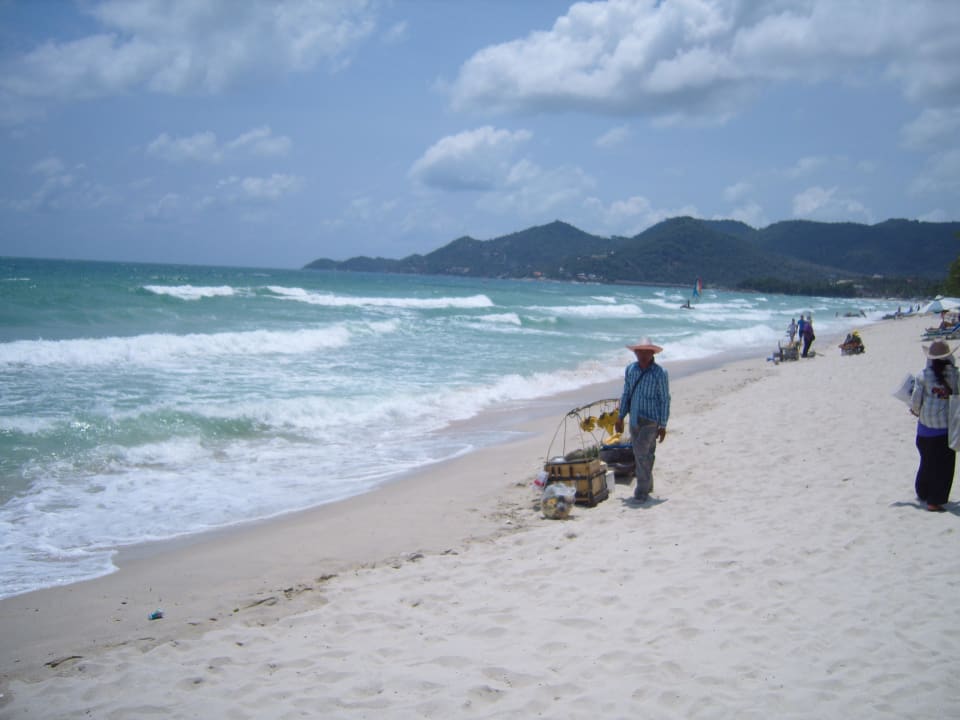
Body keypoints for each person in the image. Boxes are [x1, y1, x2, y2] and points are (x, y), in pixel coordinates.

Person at [615, 337, 671, 503]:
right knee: (646, 454)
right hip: (634, 419)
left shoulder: (660, 373)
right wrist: (620, 416)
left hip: (651, 420)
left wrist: (663, 425)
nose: (643, 355)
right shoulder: (631, 370)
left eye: (647, 352)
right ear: (636, 353)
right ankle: (648, 484)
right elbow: (626, 393)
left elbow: (665, 399)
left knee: (640, 452)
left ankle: (641, 491)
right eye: (640, 352)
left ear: (652, 353)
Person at [910, 340, 958, 512]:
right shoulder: (955, 375)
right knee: (944, 467)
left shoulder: (923, 375)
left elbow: (916, 402)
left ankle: (923, 492)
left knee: (927, 462)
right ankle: (934, 500)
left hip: (924, 429)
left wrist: (915, 411)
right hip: (945, 430)